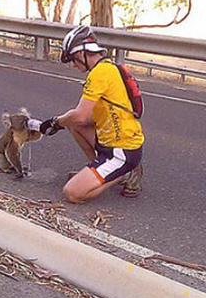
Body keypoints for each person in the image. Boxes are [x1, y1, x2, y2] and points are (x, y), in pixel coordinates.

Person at [35, 25, 144, 203]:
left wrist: (56, 122)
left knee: (73, 193)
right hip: (111, 140)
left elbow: (80, 115)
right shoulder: (107, 68)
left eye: (73, 60)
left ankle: (123, 172)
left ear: (81, 53)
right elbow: (83, 118)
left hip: (122, 150)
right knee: (72, 123)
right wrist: (62, 122)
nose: (73, 65)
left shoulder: (100, 73)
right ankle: (98, 168)